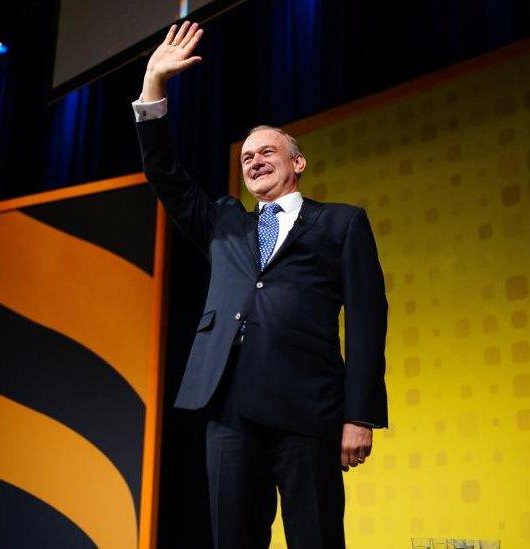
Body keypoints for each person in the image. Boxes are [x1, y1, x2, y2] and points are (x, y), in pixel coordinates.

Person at [131, 20, 388, 549]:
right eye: (247, 157)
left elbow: (367, 321)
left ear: (297, 163)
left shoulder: (342, 223)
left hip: (308, 411)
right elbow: (163, 171)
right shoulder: (224, 222)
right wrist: (152, 85)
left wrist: (359, 415)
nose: (254, 161)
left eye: (267, 152)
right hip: (228, 410)